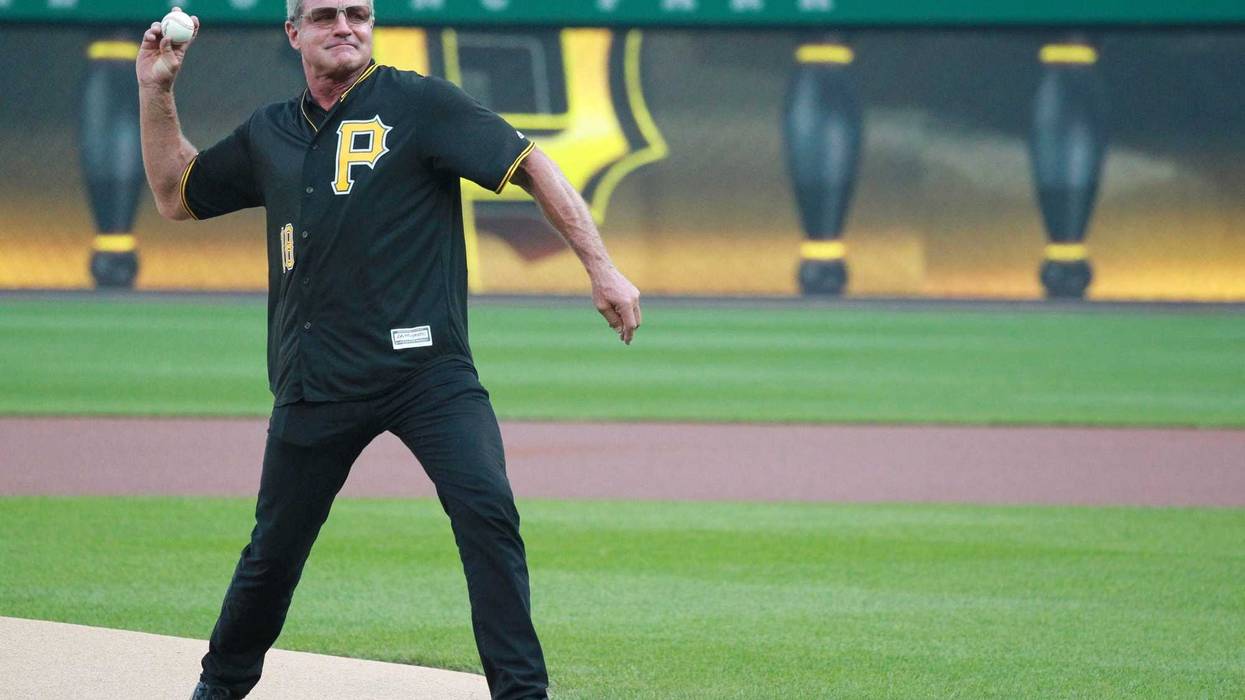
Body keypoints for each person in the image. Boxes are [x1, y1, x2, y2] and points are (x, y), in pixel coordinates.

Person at [136, 2, 642, 698]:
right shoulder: (271, 133)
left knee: (487, 513)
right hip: (316, 376)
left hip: (426, 372)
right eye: (323, 16)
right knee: (273, 554)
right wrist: (157, 89)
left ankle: (522, 694)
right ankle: (219, 686)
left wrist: (600, 266)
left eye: (358, 13)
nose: (344, 25)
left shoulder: (420, 103)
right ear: (293, 34)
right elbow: (174, 195)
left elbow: (531, 166)